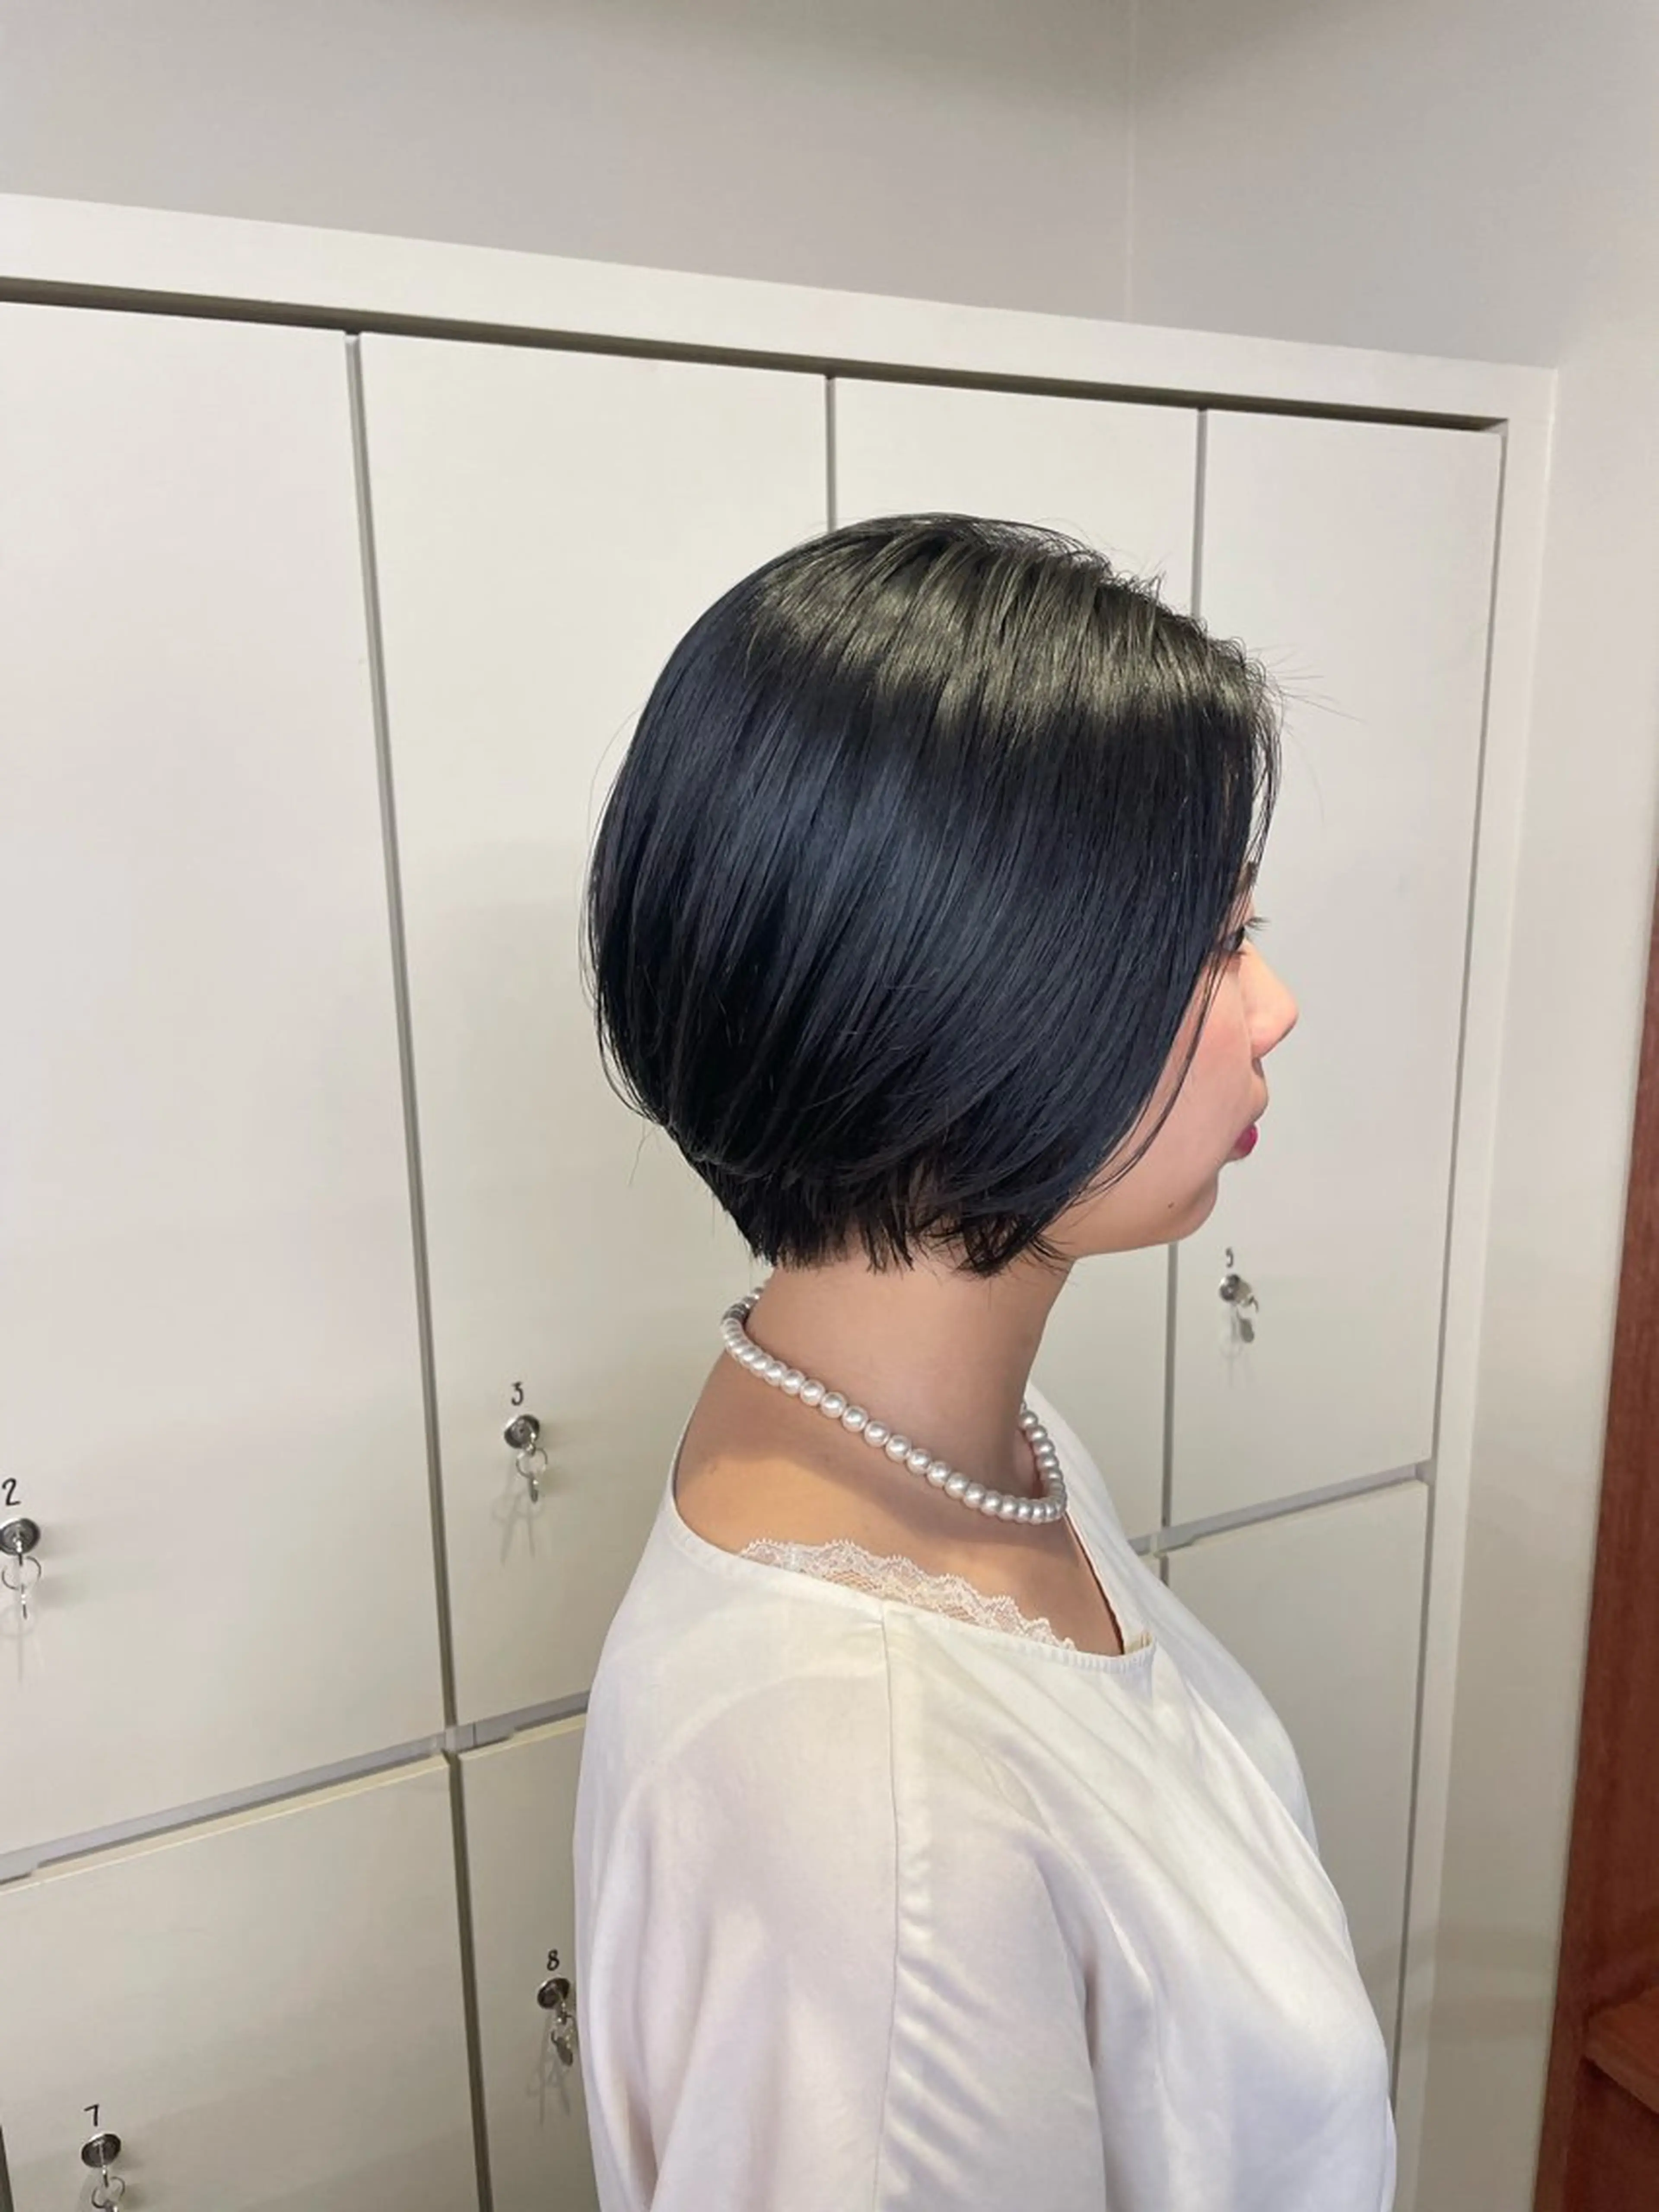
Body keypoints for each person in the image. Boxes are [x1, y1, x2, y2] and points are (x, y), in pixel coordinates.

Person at [573, 513, 1397, 2210]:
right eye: (1213, 944)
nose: (1275, 1005)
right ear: (966, 993)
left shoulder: (964, 1439)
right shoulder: (869, 1799)